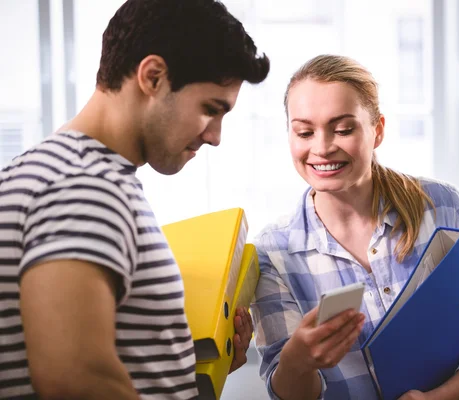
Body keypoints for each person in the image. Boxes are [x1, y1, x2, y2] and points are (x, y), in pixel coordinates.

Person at [0, 0, 269, 398]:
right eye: (210, 109)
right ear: (153, 76)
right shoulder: (84, 186)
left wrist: (182, 368)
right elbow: (74, 380)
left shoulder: (51, 171)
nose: (214, 136)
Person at [250, 54, 459, 400]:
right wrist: (297, 361)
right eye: (304, 132)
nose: (321, 148)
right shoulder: (271, 253)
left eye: (343, 129)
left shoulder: (442, 206)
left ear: (377, 130)